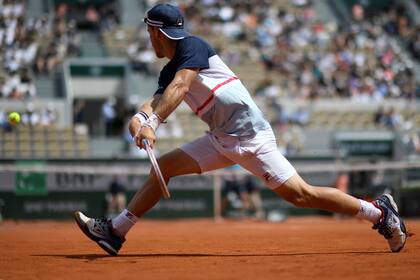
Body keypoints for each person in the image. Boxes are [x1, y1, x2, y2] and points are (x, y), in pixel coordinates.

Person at [74, 3, 407, 256]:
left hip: (252, 137)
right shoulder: (169, 70)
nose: (149, 39)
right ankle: (116, 232)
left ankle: (379, 213)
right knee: (165, 168)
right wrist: (138, 119)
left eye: (150, 33)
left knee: (301, 195)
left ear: (157, 33)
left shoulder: (193, 47)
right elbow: (156, 99)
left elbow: (179, 88)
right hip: (220, 139)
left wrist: (154, 123)